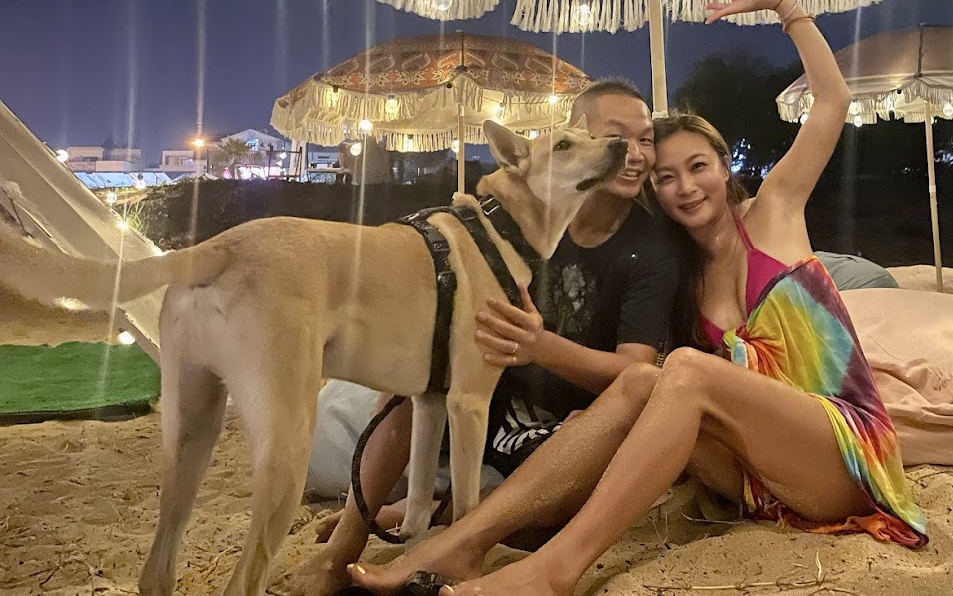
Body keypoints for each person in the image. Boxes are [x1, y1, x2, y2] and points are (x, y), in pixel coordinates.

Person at [344, 0, 926, 596]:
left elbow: (832, 101)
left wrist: (786, 8)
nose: (686, 187)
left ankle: (554, 571)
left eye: (698, 167)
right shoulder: (682, 270)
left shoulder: (775, 213)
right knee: (643, 384)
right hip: (754, 476)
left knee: (684, 369)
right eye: (667, 177)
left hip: (842, 457)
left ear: (724, 165)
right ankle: (461, 544)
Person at [274, 79, 681, 596]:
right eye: (614, 136)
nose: (632, 152)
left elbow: (636, 373)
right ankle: (348, 542)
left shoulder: (649, 250)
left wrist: (542, 348)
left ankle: (443, 519)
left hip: (560, 424)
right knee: (413, 373)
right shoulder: (516, 222)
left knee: (548, 503)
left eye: (646, 139)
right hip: (488, 397)